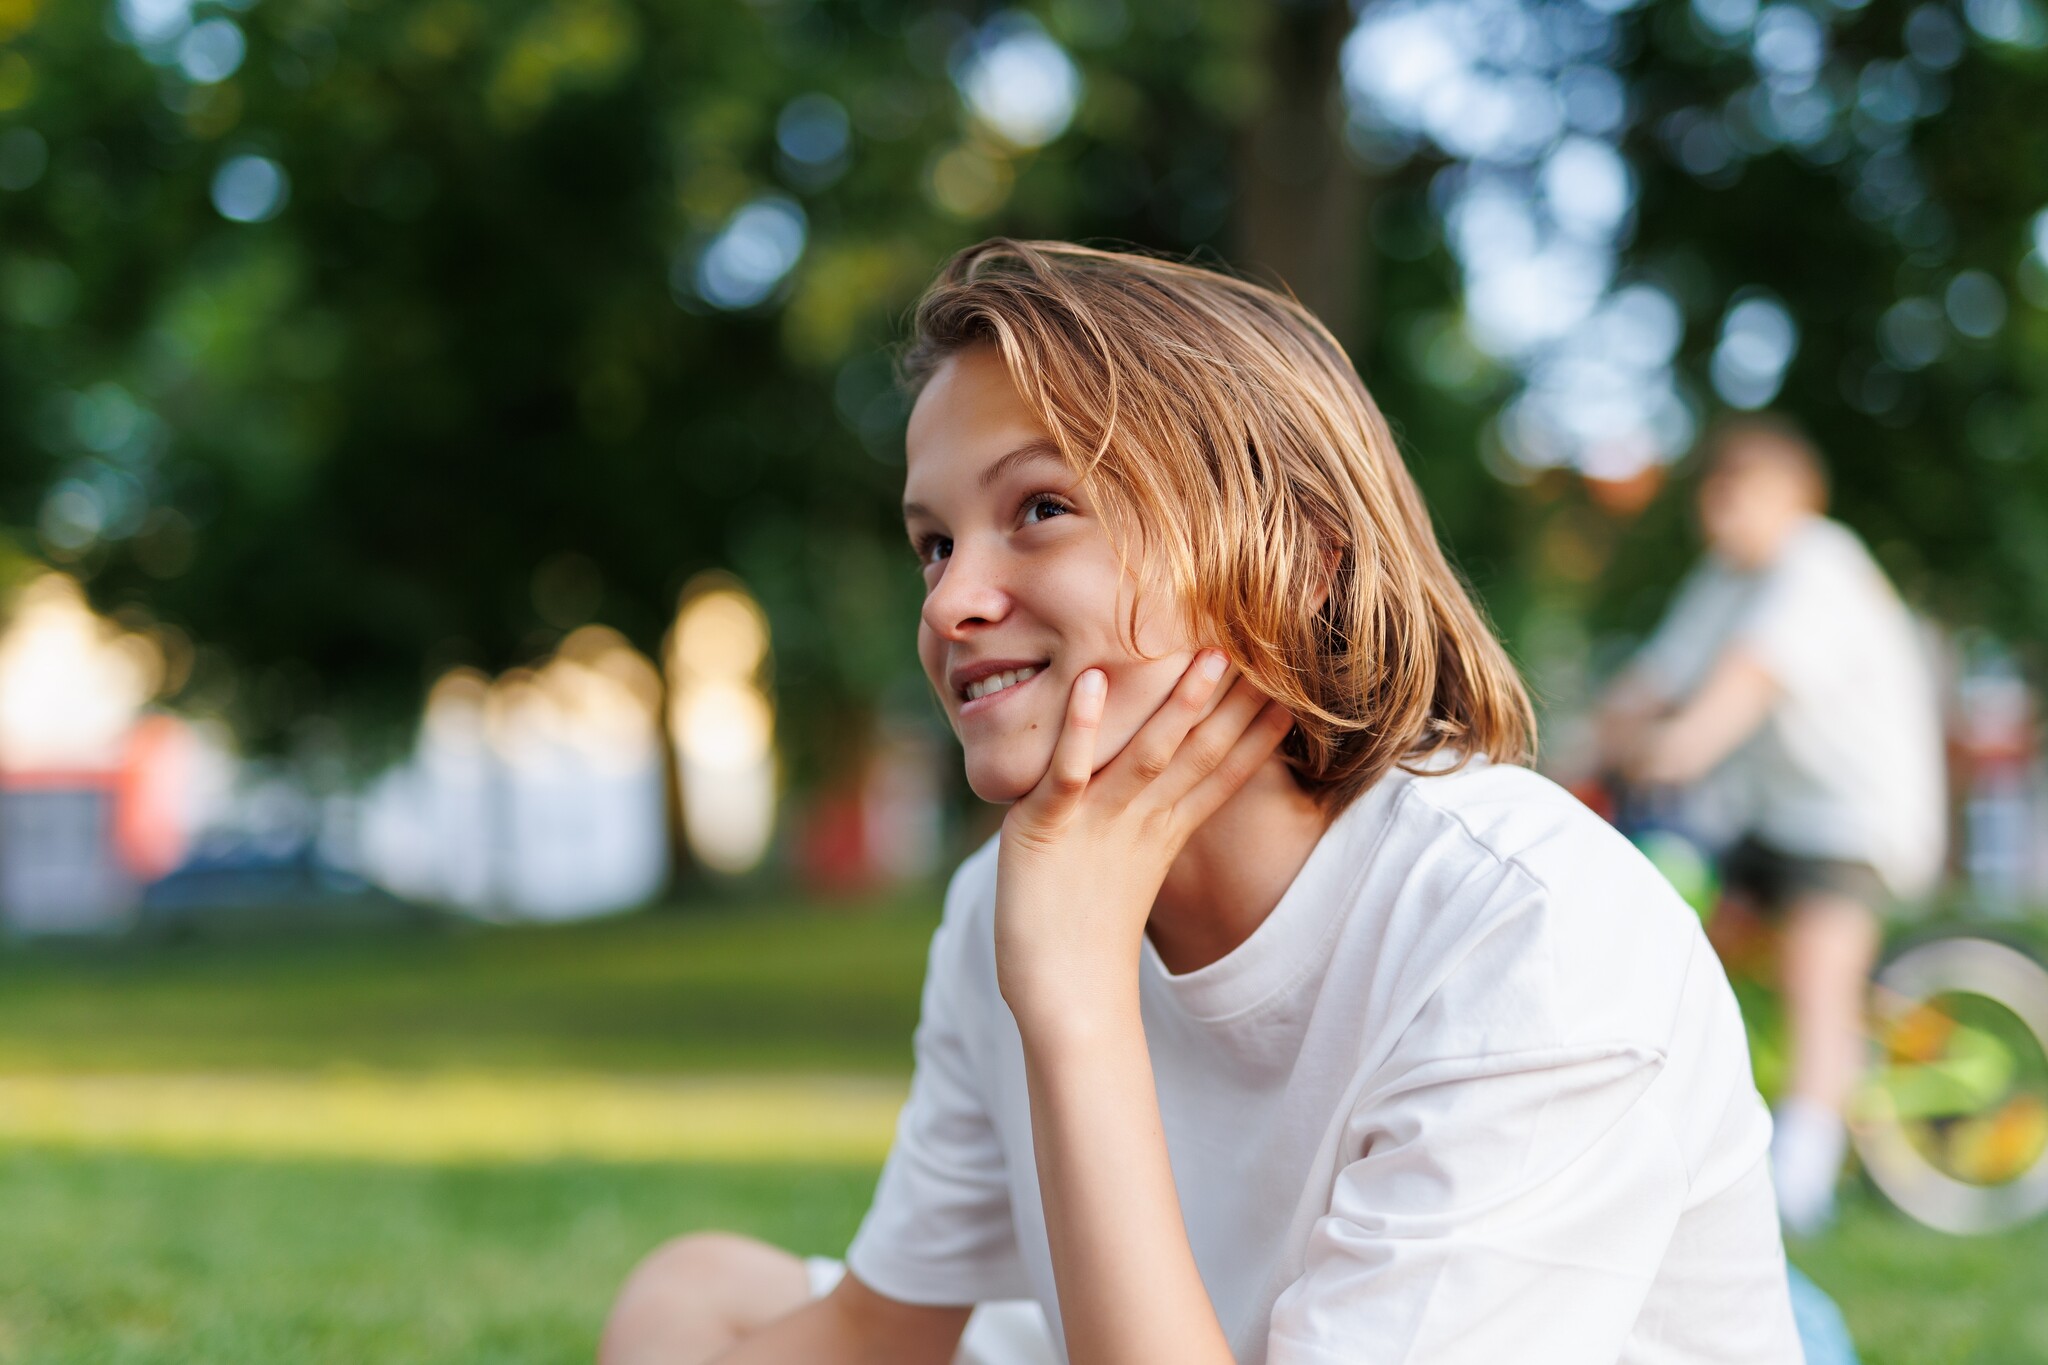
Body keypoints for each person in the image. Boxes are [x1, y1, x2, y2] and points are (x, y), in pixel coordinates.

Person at [600, 240, 1802, 1364]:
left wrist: (1073, 1002)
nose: (951, 601)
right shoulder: (1005, 906)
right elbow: (878, 1335)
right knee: (692, 1299)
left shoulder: (1525, 932)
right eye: (931, 543)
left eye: (1039, 509)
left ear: (1295, 556)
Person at [1598, 414, 1948, 1237]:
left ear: (1798, 495)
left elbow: (1746, 680)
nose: (1721, 509)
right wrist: (1576, 749)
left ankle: (1801, 1181)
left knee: (1814, 970)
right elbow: (1655, 676)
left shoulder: (1817, 562)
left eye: (1741, 490)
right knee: (1686, 934)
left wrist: (1679, 745)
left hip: (1854, 814)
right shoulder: (1724, 578)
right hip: (1770, 813)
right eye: (1713, 492)